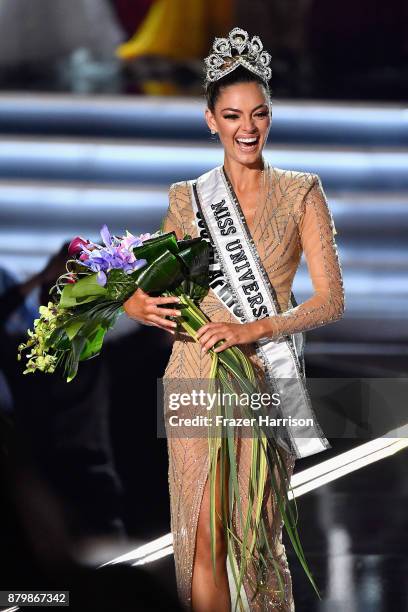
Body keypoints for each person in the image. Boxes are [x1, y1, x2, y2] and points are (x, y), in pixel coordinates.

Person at [124, 27, 345, 612]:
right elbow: (139, 279)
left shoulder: (302, 192)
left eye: (258, 114)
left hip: (264, 377)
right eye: (231, 115)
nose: (246, 128)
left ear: (270, 116)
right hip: (194, 370)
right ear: (210, 121)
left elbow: (329, 302)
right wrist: (135, 305)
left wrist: (253, 329)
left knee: (255, 543)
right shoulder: (187, 196)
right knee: (201, 540)